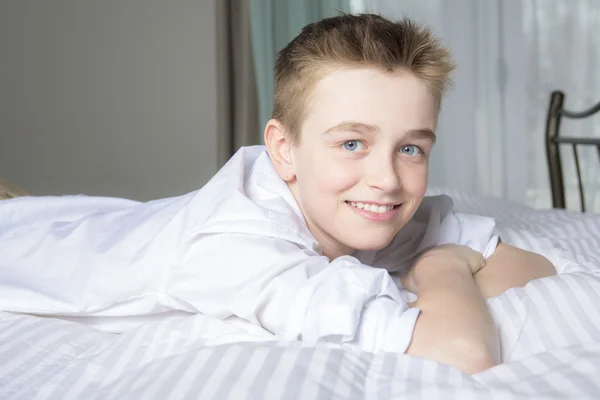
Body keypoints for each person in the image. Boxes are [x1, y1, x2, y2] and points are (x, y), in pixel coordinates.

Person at [0, 13, 555, 375]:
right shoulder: (240, 252)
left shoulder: (360, 201)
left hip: (122, 222)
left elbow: (531, 269)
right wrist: (443, 268)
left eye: (412, 148)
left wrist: (445, 259)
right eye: (353, 143)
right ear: (283, 150)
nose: (386, 179)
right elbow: (466, 352)